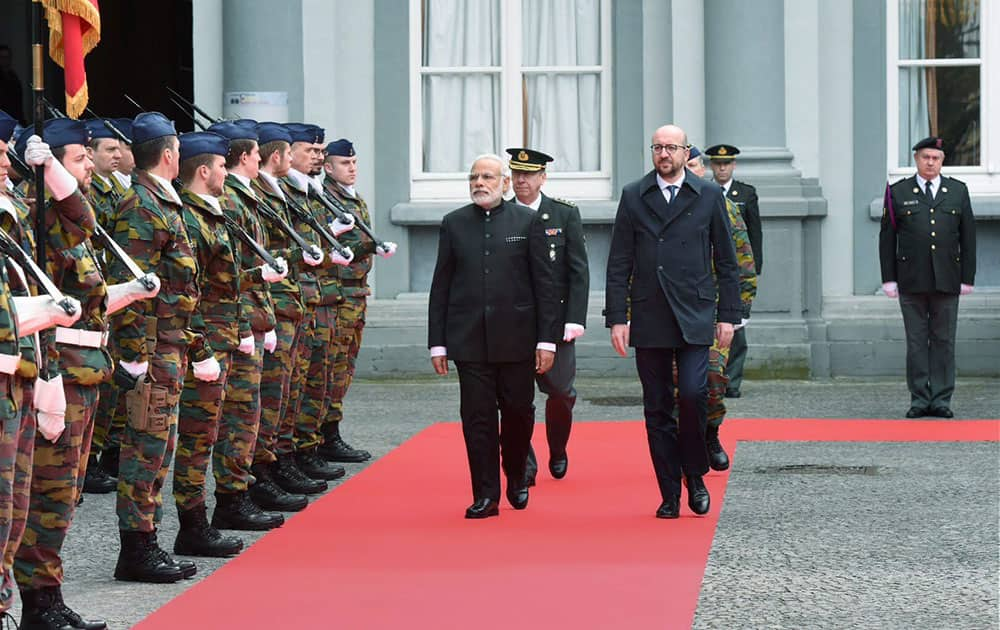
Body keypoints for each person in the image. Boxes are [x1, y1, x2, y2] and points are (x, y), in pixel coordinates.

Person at [605, 125, 740, 519]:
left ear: (685, 152)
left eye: (671, 147)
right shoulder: (634, 195)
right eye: (658, 147)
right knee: (658, 406)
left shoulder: (708, 195)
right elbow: (619, 263)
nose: (664, 154)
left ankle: (695, 475)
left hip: (695, 312)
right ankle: (669, 491)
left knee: (695, 395)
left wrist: (728, 316)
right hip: (650, 314)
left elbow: (727, 262)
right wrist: (617, 318)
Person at [428, 154, 558, 519]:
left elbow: (544, 286)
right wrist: (438, 342)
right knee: (478, 420)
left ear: (504, 183)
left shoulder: (528, 221)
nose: (479, 183)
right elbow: (441, 286)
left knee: (518, 415)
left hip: (517, 340)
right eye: (474, 177)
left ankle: (517, 473)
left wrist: (546, 340)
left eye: (487, 176)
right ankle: (485, 494)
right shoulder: (454, 223)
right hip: (469, 341)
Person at [108, 112, 200, 583]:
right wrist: (133, 355)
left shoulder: (165, 202)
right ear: (168, 155)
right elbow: (131, 288)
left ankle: (148, 540)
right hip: (150, 346)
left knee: (158, 446)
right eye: (179, 150)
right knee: (145, 446)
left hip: (169, 343)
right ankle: (137, 549)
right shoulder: (142, 207)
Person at [170, 130, 247, 558]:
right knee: (197, 437)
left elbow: (223, 287)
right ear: (204, 171)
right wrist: (199, 349)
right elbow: (188, 293)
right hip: (205, 345)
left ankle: (201, 519)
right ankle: (192, 524)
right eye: (220, 165)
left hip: (220, 339)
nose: (225, 171)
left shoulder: (210, 213)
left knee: (210, 432)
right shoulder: (192, 219)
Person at [504, 147, 589, 485]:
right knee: (514, 397)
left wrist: (575, 319)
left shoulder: (563, 214)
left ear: (543, 177)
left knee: (561, 393)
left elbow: (578, 271)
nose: (521, 180)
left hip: (555, 320)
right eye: (516, 173)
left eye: (529, 174)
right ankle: (524, 462)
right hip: (513, 323)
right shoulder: (500, 214)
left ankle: (558, 448)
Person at [879, 136, 976, 419]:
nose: (930, 162)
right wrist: (889, 278)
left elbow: (968, 237)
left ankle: (942, 399)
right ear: (916, 159)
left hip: (947, 278)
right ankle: (920, 398)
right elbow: (887, 238)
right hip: (911, 279)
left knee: (944, 340)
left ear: (942, 161)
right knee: (917, 341)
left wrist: (967, 277)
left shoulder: (958, 191)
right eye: (925, 157)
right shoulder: (897, 192)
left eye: (935, 157)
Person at [321, 138, 396, 463]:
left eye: (354, 163)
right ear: (328, 167)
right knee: (331, 366)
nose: (351, 169)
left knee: (345, 366)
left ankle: (331, 431)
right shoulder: (325, 199)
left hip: (356, 292)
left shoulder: (355, 199)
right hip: (338, 293)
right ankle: (324, 435)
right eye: (344, 163)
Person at [685, 146, 757, 471]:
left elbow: (742, 257)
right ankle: (682, 449)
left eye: (695, 166)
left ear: (703, 169)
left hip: (712, 311)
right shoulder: (657, 204)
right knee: (677, 388)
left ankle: (711, 432)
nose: (691, 171)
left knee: (713, 380)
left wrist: (739, 309)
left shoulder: (722, 205)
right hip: (672, 310)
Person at [705, 143, 760, 398]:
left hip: (737, 270)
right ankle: (714, 379)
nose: (722, 167)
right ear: (712, 166)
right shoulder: (703, 193)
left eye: (726, 163)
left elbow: (753, 234)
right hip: (712, 274)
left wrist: (754, 268)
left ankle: (733, 382)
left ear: (733, 165)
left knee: (737, 333)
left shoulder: (745, 194)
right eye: (717, 163)